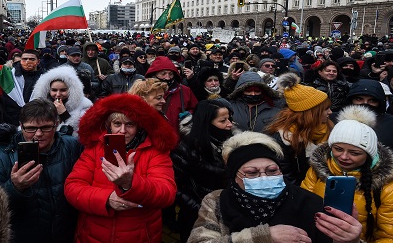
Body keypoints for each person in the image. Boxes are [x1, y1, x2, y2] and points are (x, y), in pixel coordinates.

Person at [187, 131, 362, 243]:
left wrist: (350, 240)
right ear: (235, 177)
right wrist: (263, 236)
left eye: (272, 170)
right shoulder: (217, 202)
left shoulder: (309, 201)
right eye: (252, 173)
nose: (264, 177)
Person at [64, 93, 178, 243]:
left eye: (130, 124)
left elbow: (167, 193)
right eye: (117, 124)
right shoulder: (95, 148)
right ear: (109, 125)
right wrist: (107, 199)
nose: (122, 131)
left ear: (139, 126)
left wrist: (130, 183)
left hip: (139, 236)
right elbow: (72, 187)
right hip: (93, 234)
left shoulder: (154, 151)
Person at [301, 105, 393, 242]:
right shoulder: (316, 172)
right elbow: (302, 210)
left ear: (368, 155)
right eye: (338, 149)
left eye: (355, 153)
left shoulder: (390, 189)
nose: (343, 157)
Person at [0, 99, 83, 243]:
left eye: (46, 127)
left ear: (56, 124)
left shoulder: (72, 146)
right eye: (31, 128)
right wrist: (14, 187)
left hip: (67, 235)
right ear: (21, 126)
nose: (38, 134)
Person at [171, 100, 233, 243]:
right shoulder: (186, 148)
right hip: (197, 216)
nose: (229, 124)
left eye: (230, 119)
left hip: (228, 213)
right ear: (206, 123)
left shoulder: (234, 143)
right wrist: (201, 209)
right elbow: (176, 187)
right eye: (223, 121)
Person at [339, 79, 393, 184]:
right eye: (359, 99)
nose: (365, 104)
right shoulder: (336, 120)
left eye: (372, 100)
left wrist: (386, 186)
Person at [265, 73, 332, 185]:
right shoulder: (283, 139)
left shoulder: (331, 128)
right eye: (325, 109)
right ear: (311, 113)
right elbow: (287, 178)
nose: (330, 112)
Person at [29, 65, 93, 136]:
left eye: (63, 90)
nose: (58, 94)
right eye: (54, 90)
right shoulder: (39, 105)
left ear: (71, 90)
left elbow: (82, 133)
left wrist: (65, 115)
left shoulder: (84, 105)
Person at [145, 56, 198, 132]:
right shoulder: (145, 91)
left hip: (179, 137)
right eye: (163, 74)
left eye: (170, 74)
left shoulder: (184, 90)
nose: (168, 78)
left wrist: (188, 116)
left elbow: (196, 109)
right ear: (154, 74)